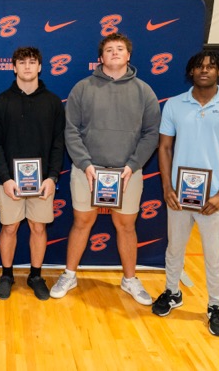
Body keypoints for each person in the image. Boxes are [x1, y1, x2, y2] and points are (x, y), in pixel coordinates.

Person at [50, 33, 160, 305]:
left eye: (120, 49)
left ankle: (130, 279)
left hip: (127, 174)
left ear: (128, 55)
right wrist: (85, 165)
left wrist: (132, 166)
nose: (114, 53)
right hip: (87, 172)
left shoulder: (144, 91)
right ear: (100, 58)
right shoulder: (82, 88)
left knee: (125, 225)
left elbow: (151, 133)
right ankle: (69, 274)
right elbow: (71, 130)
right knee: (82, 222)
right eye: (109, 49)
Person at [153, 51, 219, 337]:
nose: (205, 70)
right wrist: (167, 187)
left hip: (213, 196)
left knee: (213, 254)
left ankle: (215, 306)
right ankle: (172, 292)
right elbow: (165, 148)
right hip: (179, 194)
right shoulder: (174, 105)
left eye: (211, 67)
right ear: (191, 72)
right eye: (199, 66)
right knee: (174, 247)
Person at [0, 46, 65, 301]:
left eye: (32, 62)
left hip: (42, 182)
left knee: (38, 227)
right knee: (8, 227)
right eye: (22, 63)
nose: (28, 67)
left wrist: (52, 177)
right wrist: (5, 177)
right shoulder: (1, 102)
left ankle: (35, 275)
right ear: (14, 67)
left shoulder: (53, 102)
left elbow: (58, 143)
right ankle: (7, 275)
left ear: (40, 67)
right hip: (9, 181)